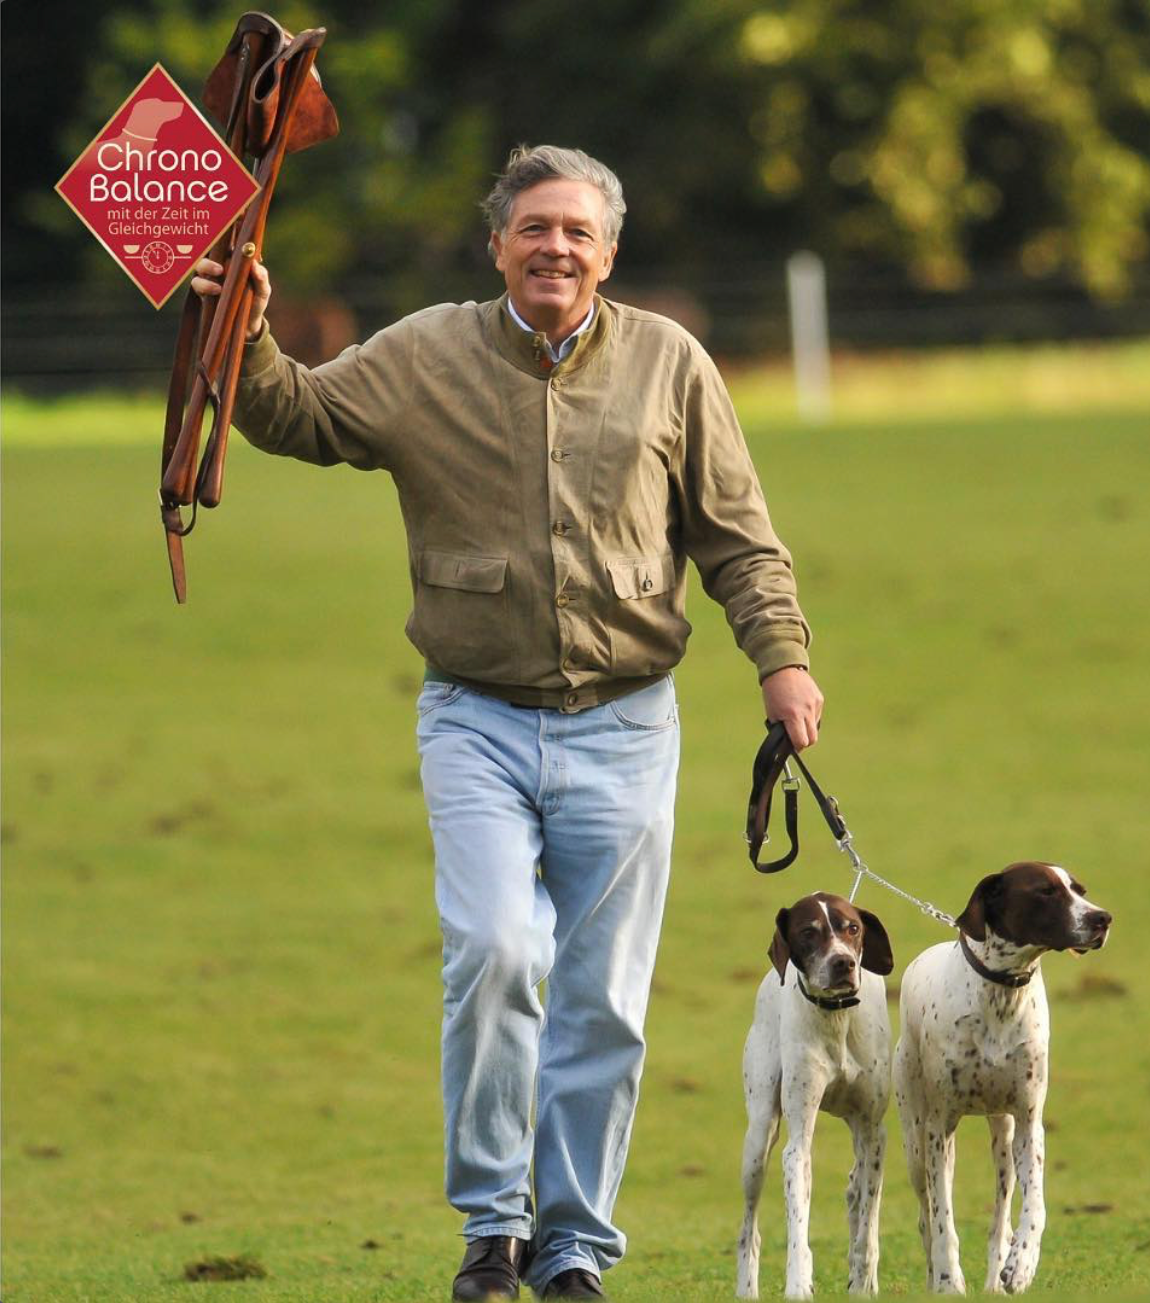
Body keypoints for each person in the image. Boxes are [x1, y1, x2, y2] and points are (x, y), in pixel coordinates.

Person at [193, 144, 823, 1301]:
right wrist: (242, 329)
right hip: (474, 718)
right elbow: (298, 415)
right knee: (494, 950)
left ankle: (574, 1244)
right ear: (498, 246)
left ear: (609, 251)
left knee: (601, 1000)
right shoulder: (425, 352)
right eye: (535, 228)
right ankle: (495, 1225)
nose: (556, 248)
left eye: (578, 231)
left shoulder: (670, 362)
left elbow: (738, 536)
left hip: (629, 723)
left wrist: (781, 661)